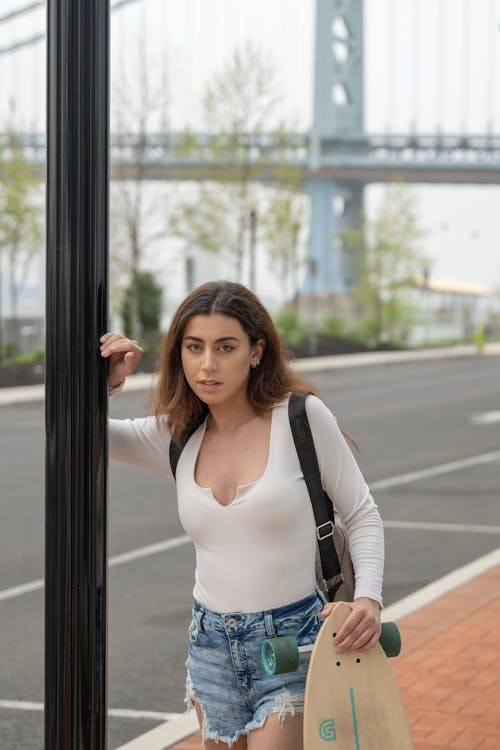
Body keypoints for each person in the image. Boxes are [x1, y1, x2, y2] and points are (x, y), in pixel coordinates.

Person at [101, 280, 384, 750]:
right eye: (195, 347)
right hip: (211, 646)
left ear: (256, 352)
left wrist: (369, 600)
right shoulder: (177, 434)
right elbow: (84, 433)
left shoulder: (301, 418)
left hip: (295, 642)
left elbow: (362, 513)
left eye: (225, 347)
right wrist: (107, 383)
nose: (207, 364)